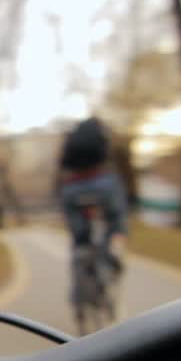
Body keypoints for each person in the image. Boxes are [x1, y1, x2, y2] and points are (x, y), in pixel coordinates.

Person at [56, 117, 129, 311]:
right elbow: (107, 160)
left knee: (79, 242)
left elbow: (63, 165)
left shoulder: (71, 139)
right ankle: (113, 254)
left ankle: (77, 296)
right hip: (101, 186)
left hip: (73, 189)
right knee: (116, 219)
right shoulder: (100, 136)